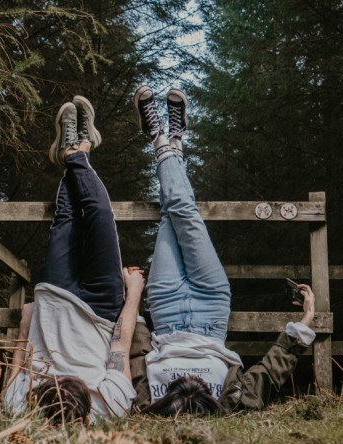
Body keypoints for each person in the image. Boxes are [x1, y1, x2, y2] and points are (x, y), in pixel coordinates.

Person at [129, 85, 318, 415]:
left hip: (166, 306)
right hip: (211, 304)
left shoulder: (149, 407)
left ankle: (169, 141)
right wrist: (305, 323)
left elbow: (134, 360)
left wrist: (133, 309)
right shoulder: (229, 404)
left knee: (170, 214)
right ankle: (163, 140)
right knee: (183, 213)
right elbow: (267, 376)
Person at [5, 96, 144, 423]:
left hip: (53, 299)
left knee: (66, 220)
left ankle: (74, 150)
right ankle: (77, 153)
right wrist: (134, 291)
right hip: (101, 307)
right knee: (99, 217)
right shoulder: (109, 407)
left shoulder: (20, 407)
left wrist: (26, 329)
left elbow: (17, 366)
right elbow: (119, 350)